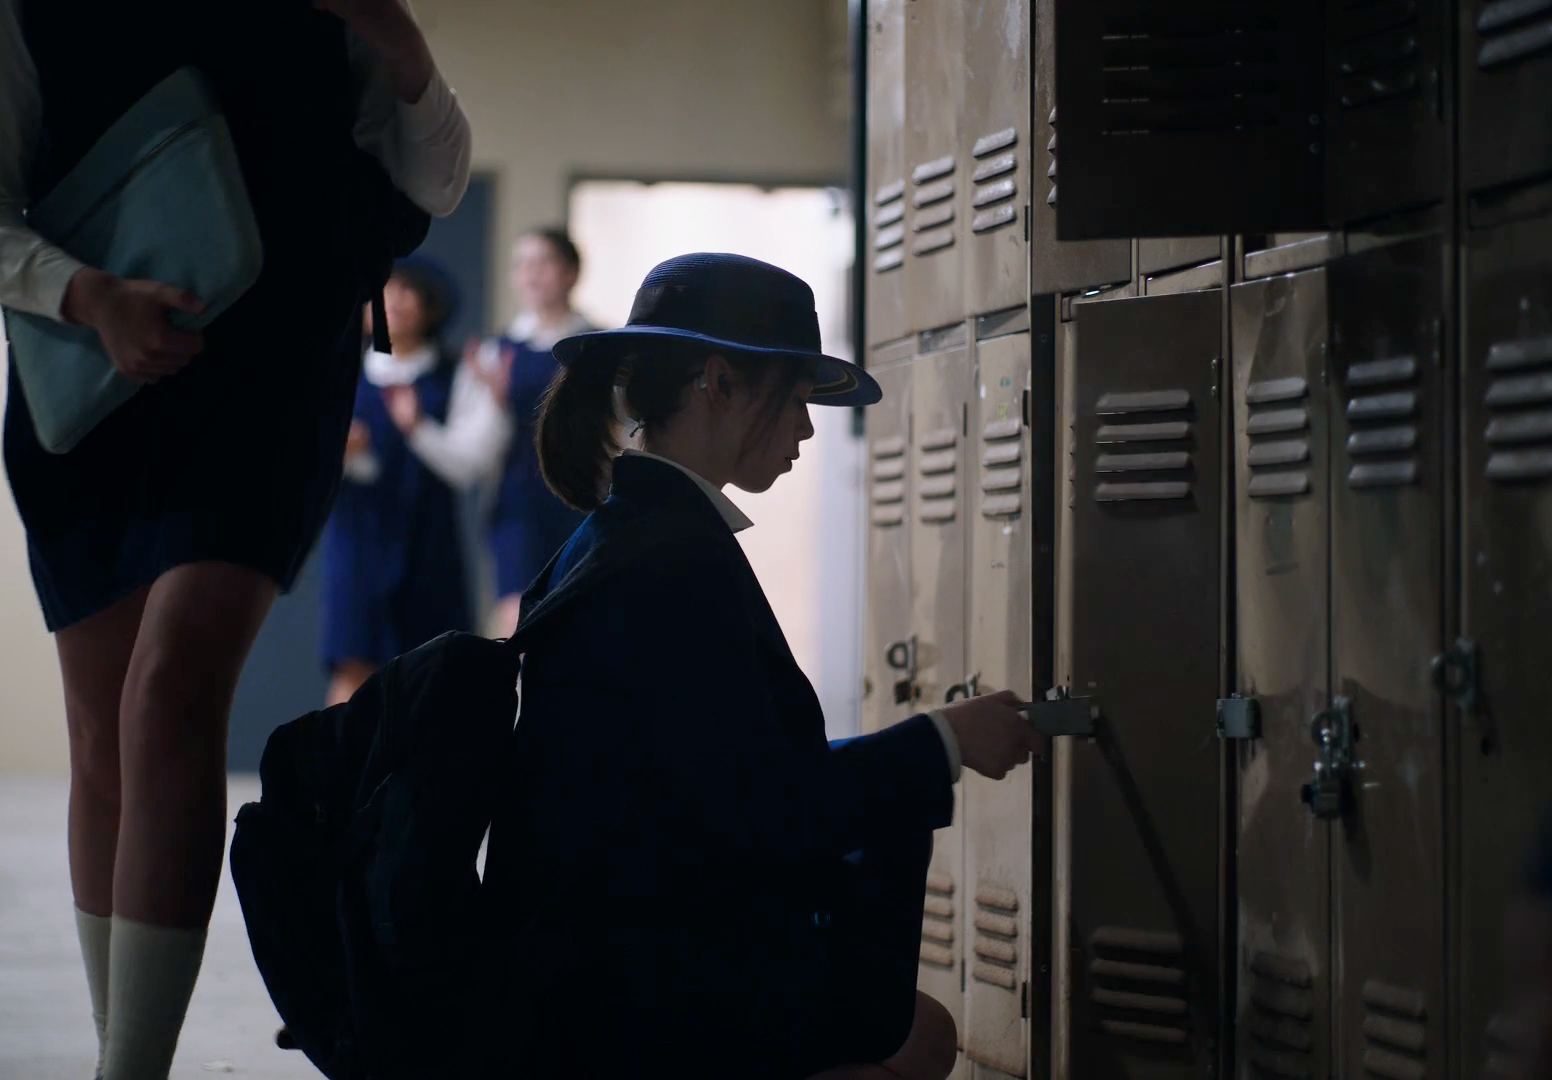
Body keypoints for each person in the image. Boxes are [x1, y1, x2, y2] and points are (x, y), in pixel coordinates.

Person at [0, 2, 470, 1077]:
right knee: (100, 739)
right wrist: (85, 295)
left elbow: (432, 180)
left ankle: (134, 1067)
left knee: (173, 691)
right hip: (92, 374)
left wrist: (396, 42)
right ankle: (113, 1040)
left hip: (275, 377)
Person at [483, 253, 1045, 1080]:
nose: (808, 430)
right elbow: (767, 810)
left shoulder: (622, 532)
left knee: (915, 1029)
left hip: (588, 965)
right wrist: (943, 743)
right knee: (915, 1039)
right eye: (794, 399)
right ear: (718, 382)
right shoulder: (672, 563)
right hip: (628, 994)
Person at [321, 258, 503, 706]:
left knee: (431, 671)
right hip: (358, 541)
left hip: (429, 540)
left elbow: (468, 466)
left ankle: (423, 777)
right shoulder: (342, 371)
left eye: (407, 291)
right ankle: (342, 776)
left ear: (431, 306)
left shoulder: (454, 374)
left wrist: (417, 428)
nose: (393, 302)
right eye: (384, 290)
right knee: (353, 666)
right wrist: (348, 456)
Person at [476, 227, 596, 635]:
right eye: (521, 265)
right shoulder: (499, 349)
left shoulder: (599, 344)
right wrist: (494, 402)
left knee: (576, 624)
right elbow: (476, 448)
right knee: (517, 624)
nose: (530, 275)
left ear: (570, 273)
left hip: (582, 497)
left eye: (542, 263)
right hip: (518, 501)